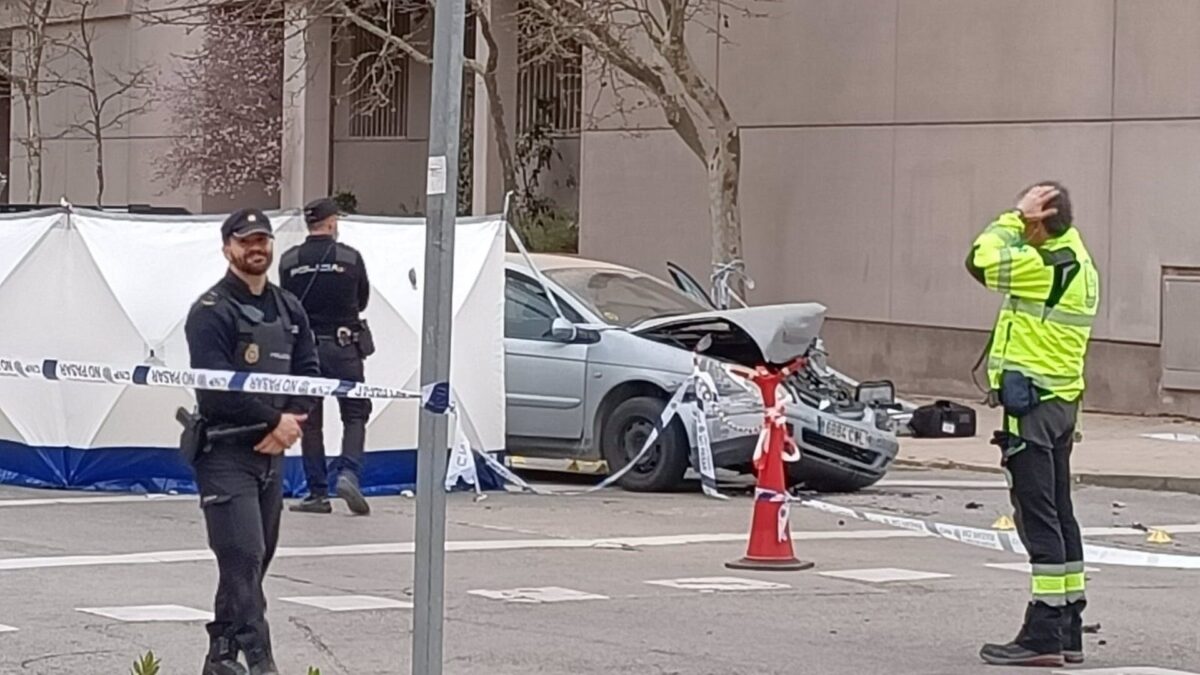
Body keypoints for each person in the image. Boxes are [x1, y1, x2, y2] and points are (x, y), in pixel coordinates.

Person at [966, 182, 1100, 667]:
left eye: (1027, 223)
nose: (1021, 231)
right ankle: (1069, 628)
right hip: (1061, 403)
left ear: (1040, 223)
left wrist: (1009, 217)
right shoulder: (1077, 259)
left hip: (1035, 408)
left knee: (1038, 517)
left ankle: (1043, 632)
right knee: (1060, 514)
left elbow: (979, 261)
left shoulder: (1043, 265)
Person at [184, 208, 321, 675]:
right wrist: (272, 422)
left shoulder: (289, 308)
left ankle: (220, 657)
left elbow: (311, 376)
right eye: (246, 241)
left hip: (272, 456)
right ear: (228, 248)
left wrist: (292, 425)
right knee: (242, 556)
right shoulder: (210, 312)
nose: (256, 248)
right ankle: (262, 662)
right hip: (225, 452)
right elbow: (215, 391)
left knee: (253, 562)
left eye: (262, 239)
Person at [280, 197, 374, 516]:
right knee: (355, 414)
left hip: (306, 351)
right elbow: (361, 301)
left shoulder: (290, 260)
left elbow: (286, 307)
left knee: (310, 422)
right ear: (331, 223)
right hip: (345, 348)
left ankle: (317, 493)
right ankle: (348, 473)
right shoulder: (350, 258)